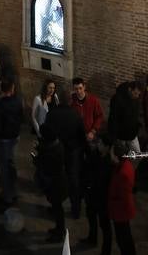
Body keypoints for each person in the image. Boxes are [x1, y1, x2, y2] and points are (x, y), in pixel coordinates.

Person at [42, 88, 86, 219]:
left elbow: (47, 134)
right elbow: (81, 136)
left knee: (56, 181)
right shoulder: (76, 115)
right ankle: (76, 210)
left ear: (58, 99)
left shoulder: (51, 114)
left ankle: (56, 207)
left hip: (56, 153)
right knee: (73, 182)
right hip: (71, 153)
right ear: (71, 100)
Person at [0, 78, 23, 207]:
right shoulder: (18, 102)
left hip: (2, 139)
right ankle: (13, 191)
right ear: (12, 89)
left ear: (1, 89)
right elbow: (21, 117)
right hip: (14, 137)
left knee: (4, 168)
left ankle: (7, 196)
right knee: (12, 164)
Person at [35, 122, 68, 243]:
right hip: (57, 182)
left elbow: (46, 166)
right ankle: (59, 229)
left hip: (56, 184)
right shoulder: (56, 145)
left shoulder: (52, 151)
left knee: (58, 209)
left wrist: (38, 159)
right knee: (57, 208)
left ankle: (60, 233)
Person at [82, 129, 113, 252]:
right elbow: (87, 168)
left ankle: (106, 250)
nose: (98, 145)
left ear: (107, 147)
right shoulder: (95, 154)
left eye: (100, 144)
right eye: (98, 142)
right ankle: (92, 238)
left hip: (103, 198)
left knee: (105, 226)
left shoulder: (109, 163)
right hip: (92, 194)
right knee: (91, 217)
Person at [108, 140, 136, 254]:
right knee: (125, 236)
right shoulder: (125, 164)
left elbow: (121, 195)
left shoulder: (123, 172)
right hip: (121, 209)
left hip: (121, 211)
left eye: (112, 153)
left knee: (123, 238)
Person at [108, 81, 142, 154]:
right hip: (121, 135)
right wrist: (114, 137)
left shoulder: (136, 99)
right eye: (135, 93)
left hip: (132, 134)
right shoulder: (117, 99)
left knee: (138, 154)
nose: (137, 96)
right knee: (122, 155)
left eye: (139, 94)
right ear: (130, 89)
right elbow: (114, 119)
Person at [71, 77, 104, 142]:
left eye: (80, 88)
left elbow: (99, 116)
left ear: (84, 87)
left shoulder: (93, 100)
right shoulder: (71, 99)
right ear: (73, 89)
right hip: (75, 133)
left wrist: (93, 131)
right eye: (76, 89)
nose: (78, 91)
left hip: (89, 134)